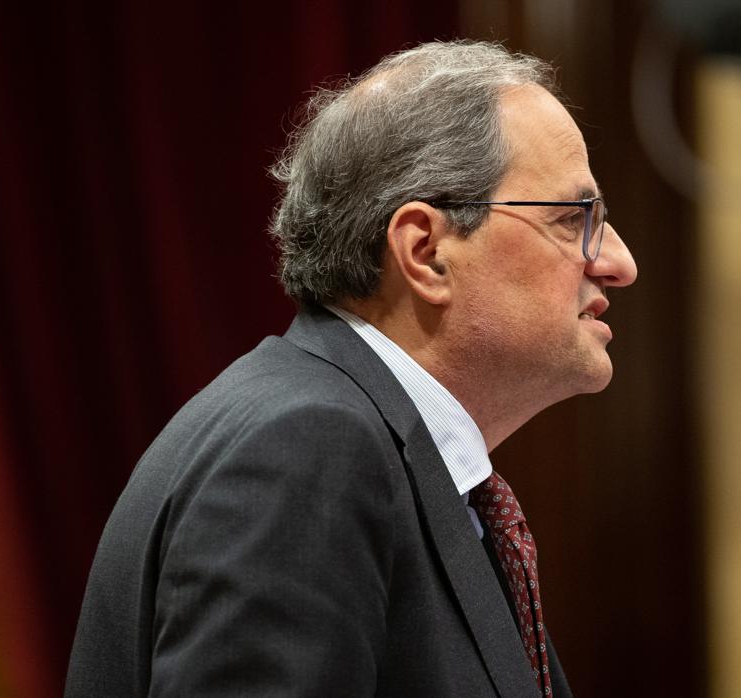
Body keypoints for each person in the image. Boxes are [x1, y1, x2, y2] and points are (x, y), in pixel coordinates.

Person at [65, 40, 636, 697]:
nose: (619, 262)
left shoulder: (371, 447)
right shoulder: (307, 449)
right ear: (425, 251)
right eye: (572, 219)